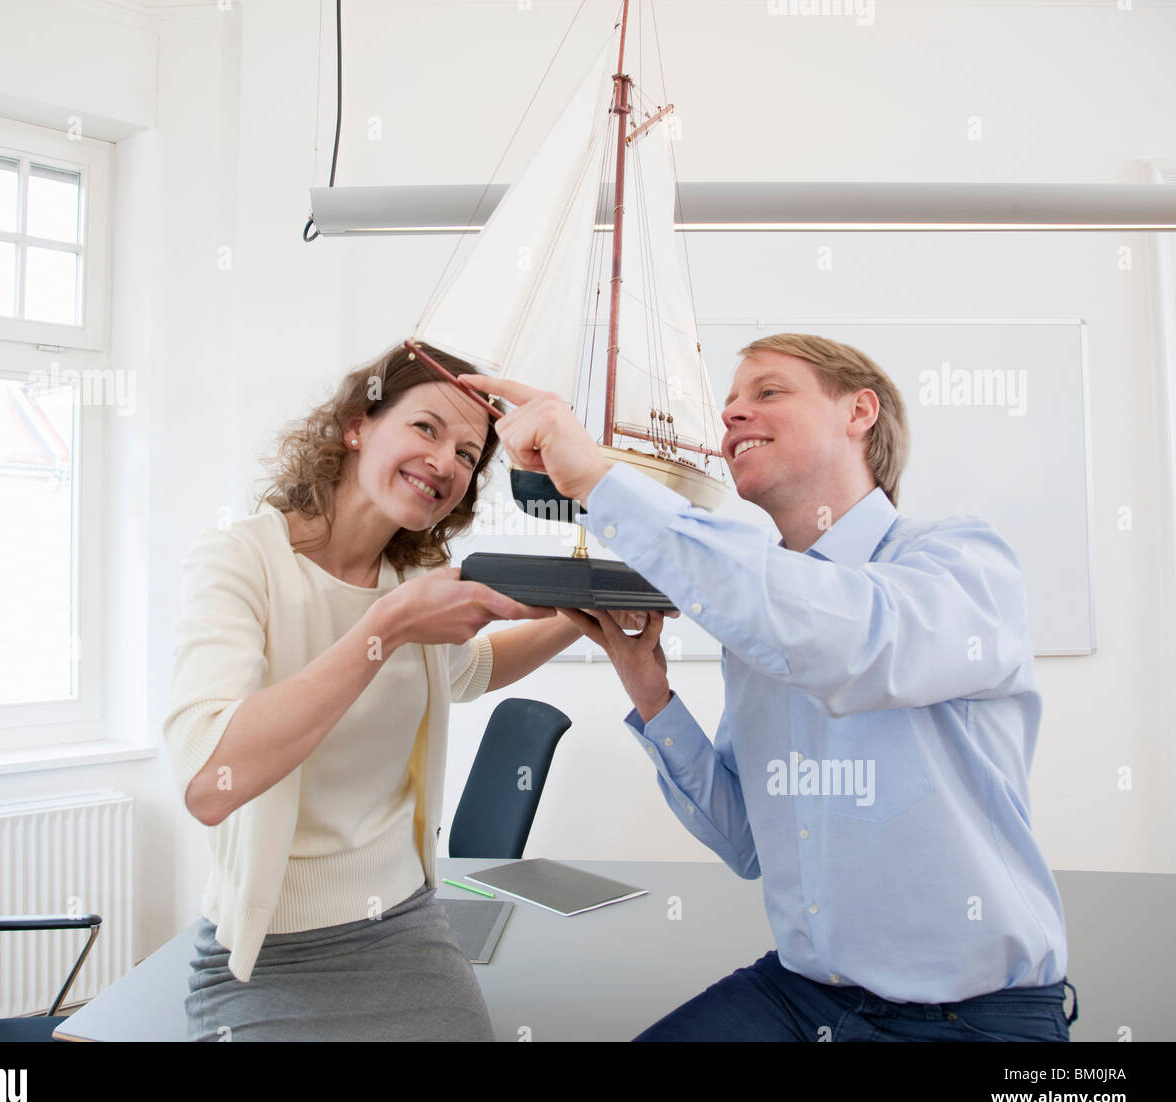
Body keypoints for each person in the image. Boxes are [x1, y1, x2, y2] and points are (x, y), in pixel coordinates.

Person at [461, 333, 1077, 1042]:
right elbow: (748, 841)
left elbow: (847, 639)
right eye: (728, 406)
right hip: (802, 996)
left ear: (860, 412)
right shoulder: (758, 620)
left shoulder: (961, 564)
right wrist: (649, 690)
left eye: (768, 393)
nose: (732, 417)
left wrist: (602, 483)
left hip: (971, 1018)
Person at [164, 342, 584, 1041]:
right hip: (264, 955)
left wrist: (582, 616)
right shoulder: (241, 561)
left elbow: (474, 668)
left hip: (406, 929)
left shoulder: (404, 582)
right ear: (358, 424)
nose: (446, 462)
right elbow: (210, 780)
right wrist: (383, 632)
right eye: (426, 428)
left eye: (468, 453)